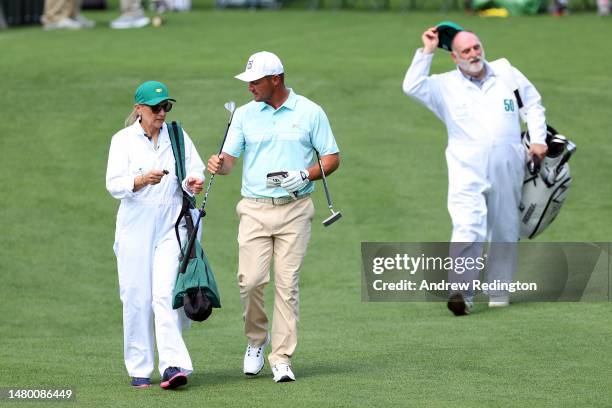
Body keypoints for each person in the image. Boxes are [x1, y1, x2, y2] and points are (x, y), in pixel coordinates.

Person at [207, 51, 340, 382]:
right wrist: (217, 165)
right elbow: (228, 162)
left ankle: (281, 357)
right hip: (254, 208)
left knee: (286, 284)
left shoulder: (310, 112)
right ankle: (256, 340)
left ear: (275, 79)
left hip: (295, 209)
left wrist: (305, 174)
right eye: (248, 81)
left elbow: (331, 158)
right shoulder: (245, 115)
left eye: (255, 81)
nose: (250, 86)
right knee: (249, 281)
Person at [402, 23, 548, 315]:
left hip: (509, 165)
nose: (473, 53)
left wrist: (538, 140)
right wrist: (427, 51)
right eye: (465, 50)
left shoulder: (506, 72)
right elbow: (412, 86)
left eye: (476, 47)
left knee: (505, 227)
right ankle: (462, 293)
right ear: (454, 57)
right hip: (466, 169)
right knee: (467, 226)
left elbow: (532, 105)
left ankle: (499, 291)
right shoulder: (443, 86)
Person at [106, 81, 205, 388]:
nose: (162, 113)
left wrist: (193, 182)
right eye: (155, 108)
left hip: (170, 225)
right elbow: (113, 184)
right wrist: (141, 180)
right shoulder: (122, 140)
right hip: (135, 226)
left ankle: (173, 365)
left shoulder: (177, 135)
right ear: (139, 109)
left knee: (165, 294)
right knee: (136, 297)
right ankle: (139, 367)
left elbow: (195, 171)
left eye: (166, 107)